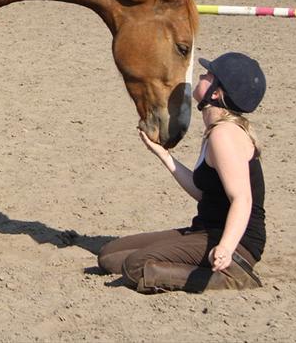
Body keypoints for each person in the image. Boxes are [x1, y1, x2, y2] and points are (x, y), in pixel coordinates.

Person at [98, 51, 267, 293]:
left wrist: (227, 247)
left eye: (209, 75)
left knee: (135, 267)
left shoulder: (224, 134)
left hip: (236, 242)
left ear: (217, 93)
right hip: (205, 230)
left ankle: (231, 277)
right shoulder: (216, 130)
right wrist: (164, 155)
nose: (202, 74)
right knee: (110, 255)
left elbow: (242, 199)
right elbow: (203, 193)